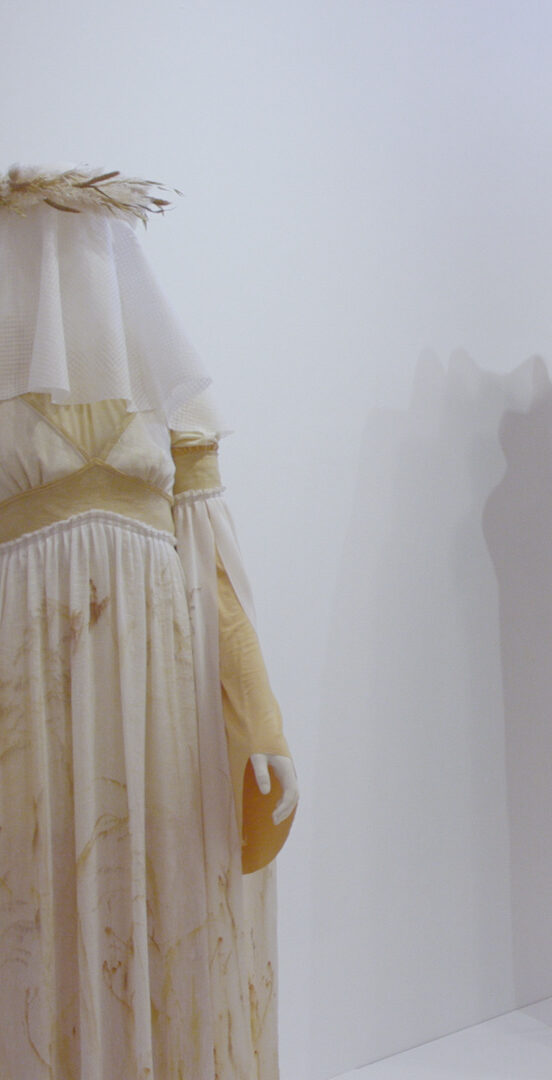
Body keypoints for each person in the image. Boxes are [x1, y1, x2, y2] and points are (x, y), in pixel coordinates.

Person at [0, 165, 297, 1080]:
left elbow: (211, 566)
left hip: (155, 691)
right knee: (37, 908)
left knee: (155, 904)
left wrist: (257, 716)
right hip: (25, 691)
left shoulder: (166, 396)